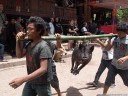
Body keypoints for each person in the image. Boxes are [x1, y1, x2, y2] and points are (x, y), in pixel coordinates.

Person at [9, 16, 53, 96]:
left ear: (39, 30)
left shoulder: (43, 46)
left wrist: (22, 79)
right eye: (27, 28)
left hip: (42, 83)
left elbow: (43, 69)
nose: (27, 31)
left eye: (31, 29)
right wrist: (18, 41)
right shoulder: (29, 44)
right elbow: (19, 55)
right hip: (31, 80)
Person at [103, 24, 128, 95]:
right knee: (108, 81)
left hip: (125, 67)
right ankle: (104, 94)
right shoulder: (115, 38)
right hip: (113, 65)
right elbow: (108, 48)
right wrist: (110, 39)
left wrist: (125, 57)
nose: (119, 34)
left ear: (126, 32)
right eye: (118, 32)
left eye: (121, 33)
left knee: (127, 82)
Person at [44, 22, 62, 96]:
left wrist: (58, 39)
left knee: (53, 81)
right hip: (39, 63)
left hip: (49, 63)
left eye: (45, 30)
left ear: (48, 30)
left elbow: (58, 46)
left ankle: (59, 94)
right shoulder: (38, 37)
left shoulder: (51, 38)